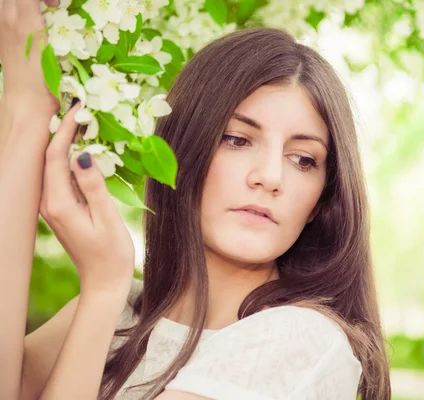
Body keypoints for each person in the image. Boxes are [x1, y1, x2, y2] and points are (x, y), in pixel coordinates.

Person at [0, 1, 391, 399]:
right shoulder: (124, 313)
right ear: (182, 150)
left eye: (303, 160)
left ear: (321, 204)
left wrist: (102, 288)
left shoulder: (300, 343)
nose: (271, 177)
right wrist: (27, 108)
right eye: (237, 140)